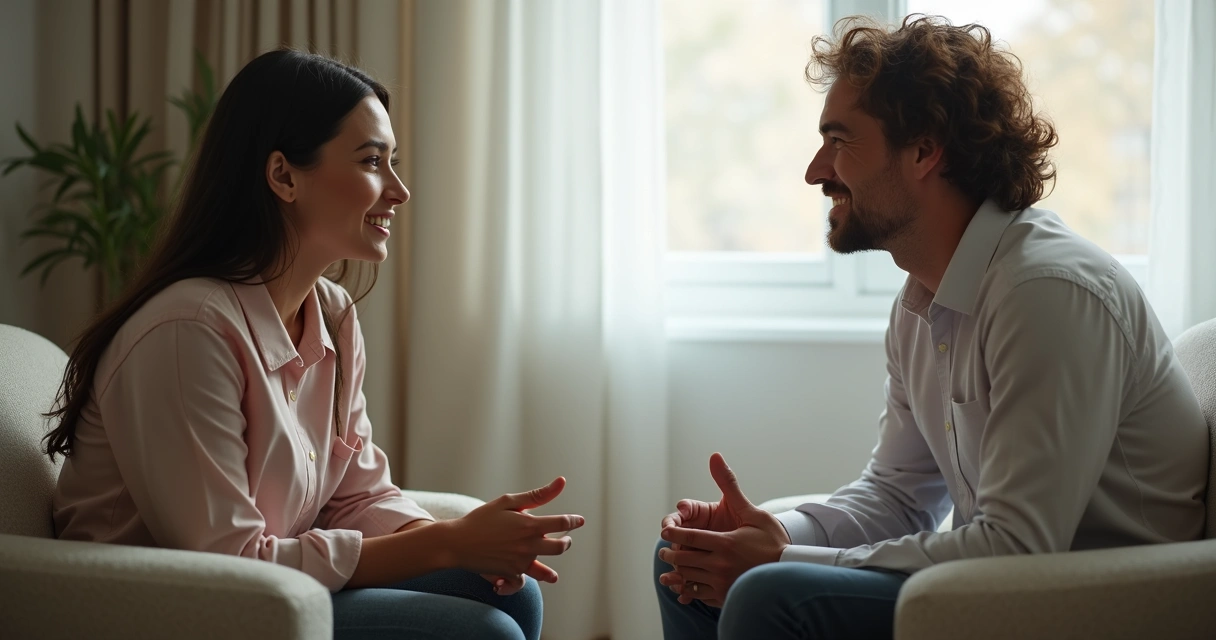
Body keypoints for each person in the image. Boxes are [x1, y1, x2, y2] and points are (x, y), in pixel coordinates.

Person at [654, 15, 1208, 640]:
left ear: (923, 150)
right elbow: (897, 496)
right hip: (1006, 583)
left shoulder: (1046, 294)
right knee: (689, 560)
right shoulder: (925, 300)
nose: (816, 170)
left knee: (767, 594)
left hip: (1094, 603)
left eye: (840, 141)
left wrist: (782, 562)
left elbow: (1019, 549)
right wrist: (779, 535)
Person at [48, 49, 583, 640]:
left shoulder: (331, 313)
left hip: (267, 586)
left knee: (514, 597)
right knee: (487, 632)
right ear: (283, 175)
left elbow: (357, 494)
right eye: (372, 162)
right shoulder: (187, 331)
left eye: (392, 162)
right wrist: (443, 544)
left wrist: (455, 542)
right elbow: (227, 563)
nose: (400, 190)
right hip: (176, 609)